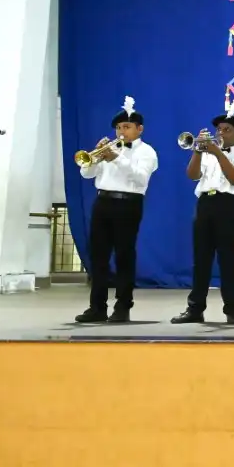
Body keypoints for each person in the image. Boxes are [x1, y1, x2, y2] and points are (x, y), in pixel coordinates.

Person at [74, 96, 159, 324]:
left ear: (139, 129)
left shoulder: (147, 152)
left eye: (127, 127)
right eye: (119, 127)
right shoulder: (109, 149)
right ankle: (97, 307)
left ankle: (123, 307)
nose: (122, 132)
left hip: (128, 203)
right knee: (98, 257)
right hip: (103, 202)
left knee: (124, 255)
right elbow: (86, 174)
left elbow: (140, 179)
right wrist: (94, 158)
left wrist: (117, 158)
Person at [172, 100, 234, 325]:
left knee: (228, 260)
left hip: (229, 206)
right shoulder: (208, 154)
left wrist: (219, 153)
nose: (220, 133)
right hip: (205, 205)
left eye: (227, 130)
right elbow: (192, 175)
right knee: (201, 260)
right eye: (219, 129)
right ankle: (195, 309)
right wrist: (198, 152)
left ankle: (232, 309)